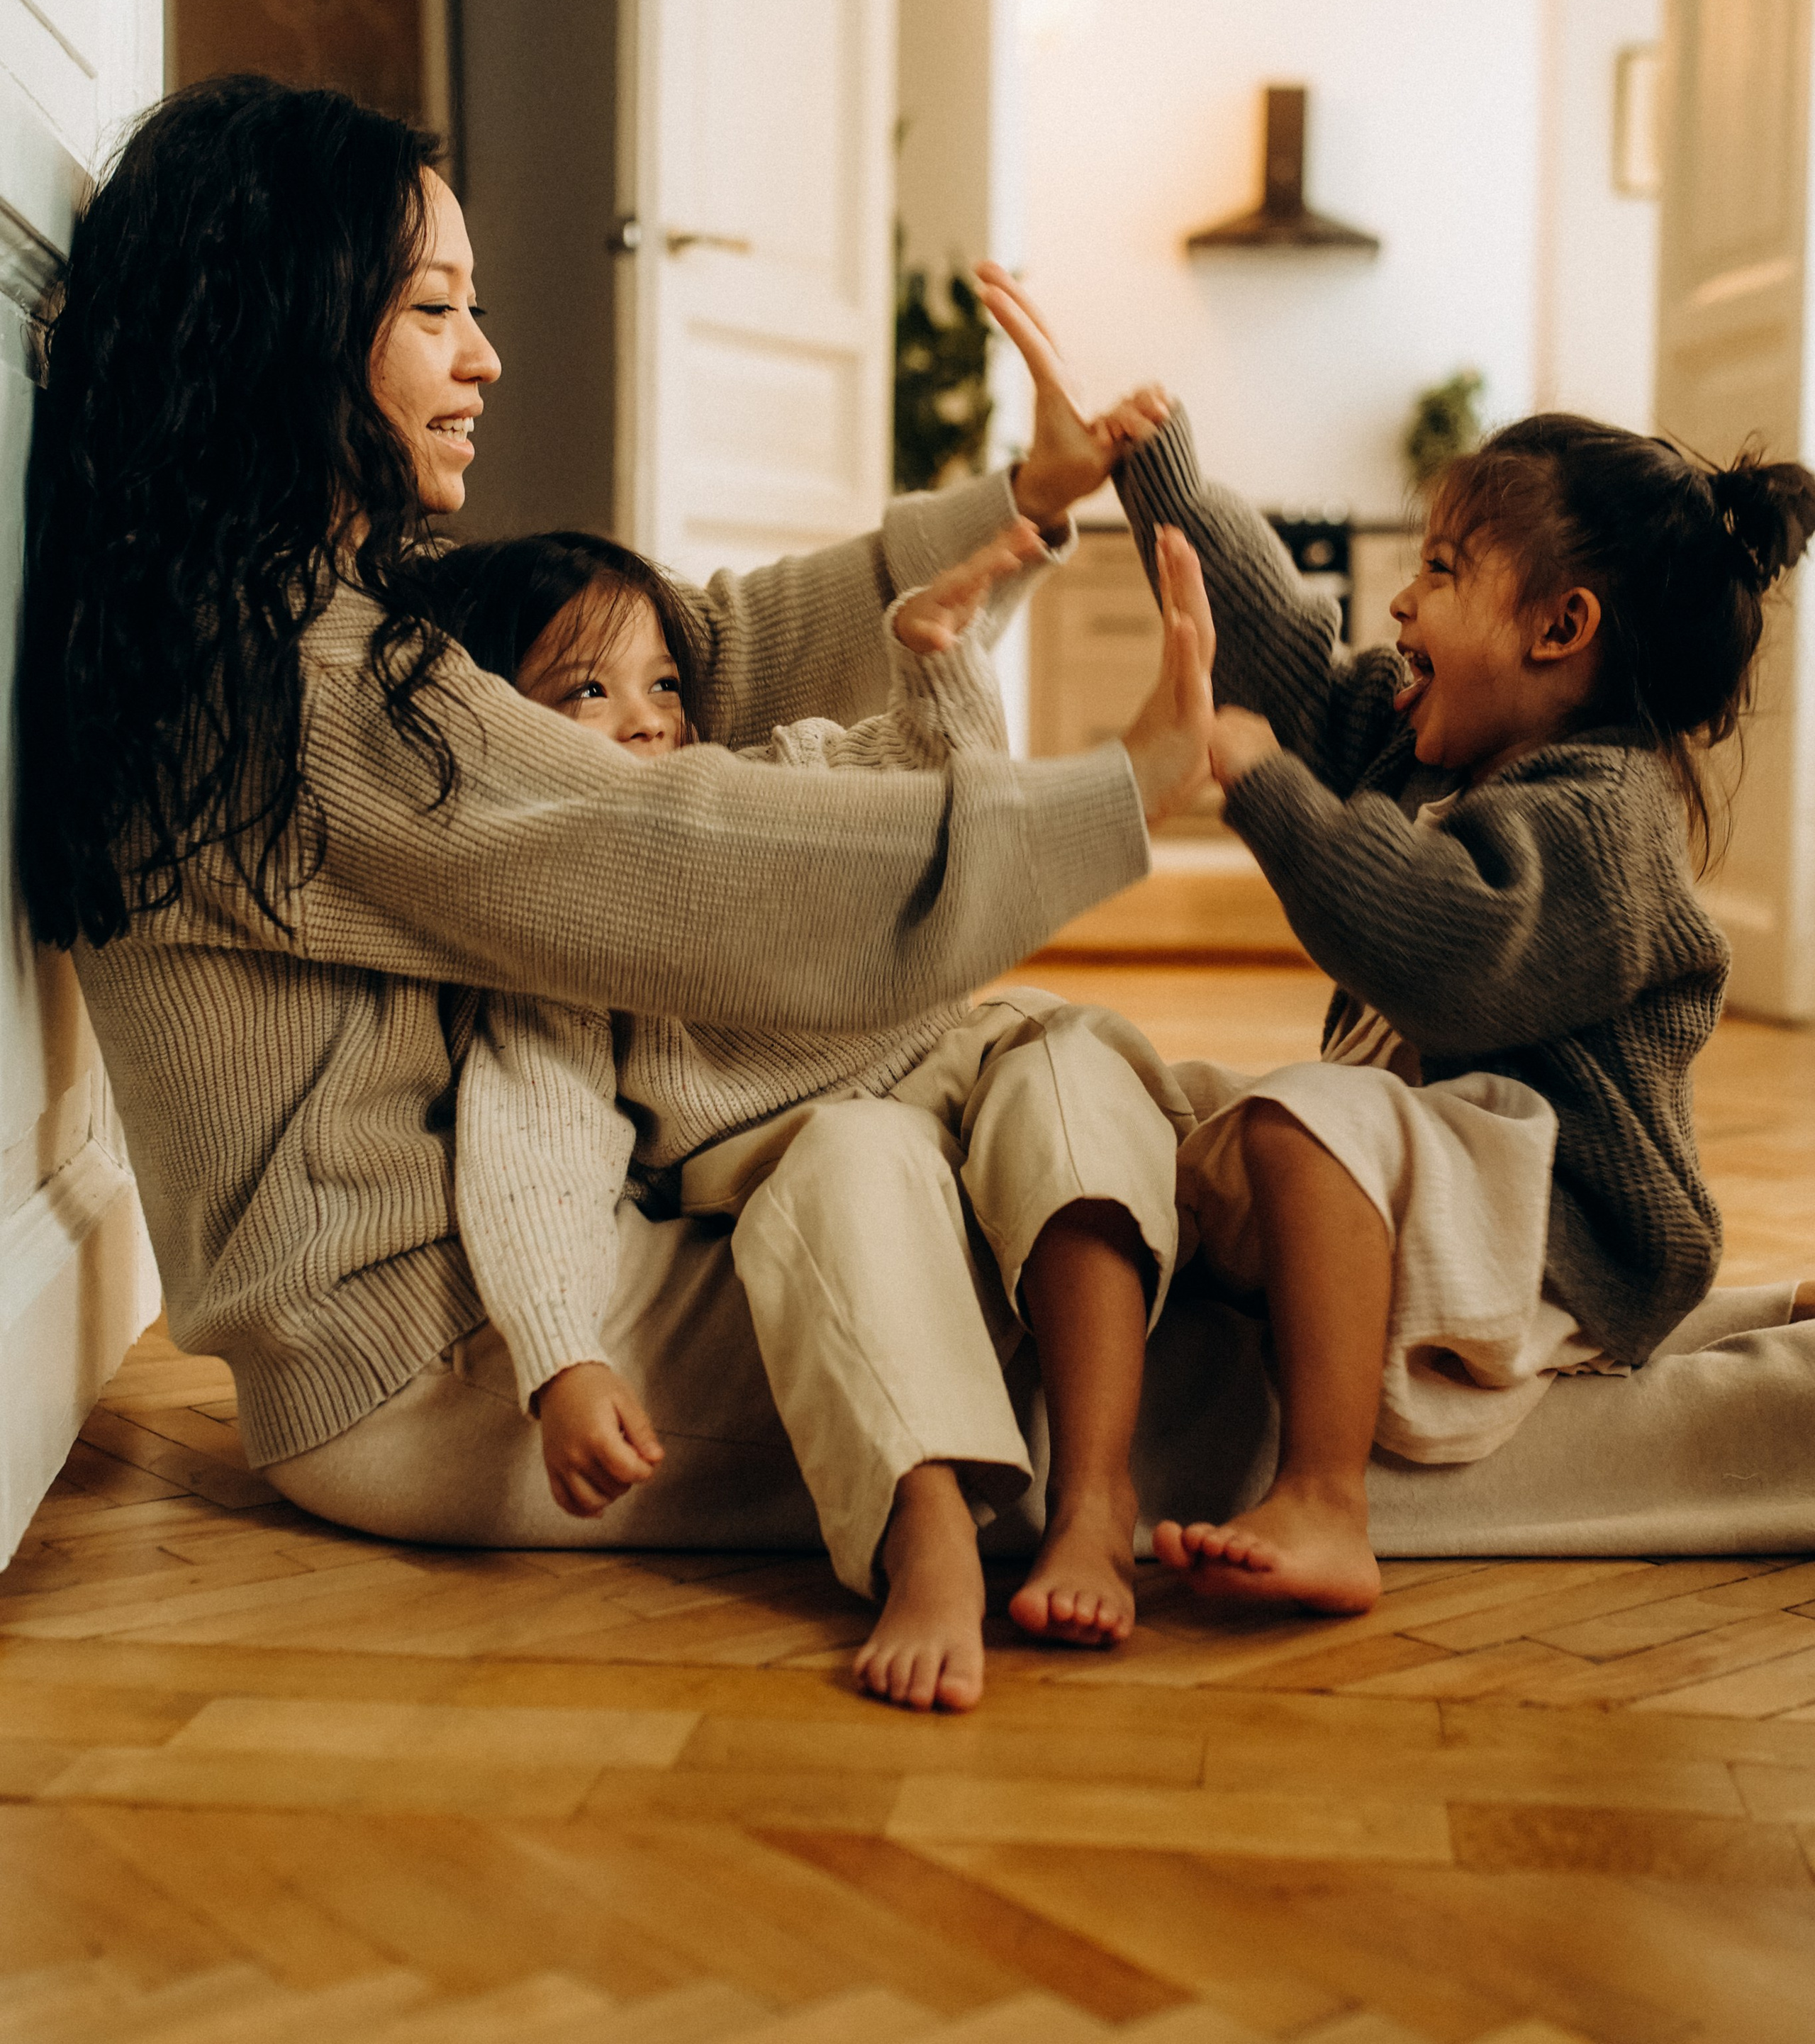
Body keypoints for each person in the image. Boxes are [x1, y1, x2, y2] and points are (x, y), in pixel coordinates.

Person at [18, 78, 1215, 1605]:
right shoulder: (300, 696)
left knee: (1125, 1166)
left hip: (472, 1296)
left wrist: (1019, 504)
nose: (484, 356)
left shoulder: (270, 615)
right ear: (286, 334)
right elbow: (679, 860)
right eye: (433, 309)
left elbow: (698, 655)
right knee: (1168, 1320)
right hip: (446, 1354)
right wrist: (1117, 791)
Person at [419, 515, 1208, 1710]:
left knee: (1069, 1062)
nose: (646, 718)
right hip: (810, 1144)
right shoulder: (560, 939)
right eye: (586, 692)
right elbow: (534, 1139)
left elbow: (935, 790)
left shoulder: (772, 777)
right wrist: (563, 1358)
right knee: (850, 1157)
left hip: (952, 1057)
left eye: (663, 684)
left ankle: (1096, 1496)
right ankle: (926, 1533)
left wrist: (938, 660)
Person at [1078, 366, 1815, 1619]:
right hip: (1454, 1190)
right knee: (1163, 1097)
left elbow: (1442, 949)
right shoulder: (1436, 741)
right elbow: (1295, 670)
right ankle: (1778, 1308)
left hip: (1565, 1235)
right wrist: (1165, 481)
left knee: (1308, 1120)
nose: (1400, 601)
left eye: (1442, 570)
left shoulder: (1602, 822)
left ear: (1558, 629)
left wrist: (1263, 786)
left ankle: (1324, 1497)